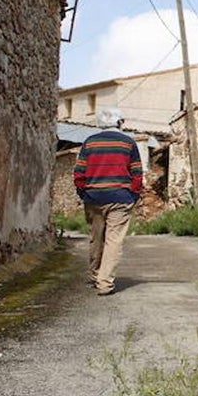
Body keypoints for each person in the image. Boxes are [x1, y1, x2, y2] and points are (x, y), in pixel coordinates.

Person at [73, 107, 143, 296]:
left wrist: (84, 193)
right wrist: (133, 195)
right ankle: (105, 283)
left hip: (93, 197)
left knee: (96, 238)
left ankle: (96, 275)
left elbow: (79, 173)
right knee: (114, 240)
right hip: (121, 197)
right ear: (120, 122)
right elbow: (137, 173)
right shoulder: (129, 143)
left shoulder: (89, 143)